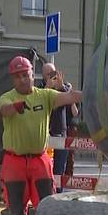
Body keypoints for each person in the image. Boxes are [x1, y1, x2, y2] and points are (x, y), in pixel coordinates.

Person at [0, 56, 82, 215]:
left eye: (25, 75)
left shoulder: (45, 95)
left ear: (32, 74)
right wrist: (15, 107)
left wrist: (93, 93)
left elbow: (69, 98)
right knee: (17, 208)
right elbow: (4, 110)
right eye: (17, 76)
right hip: (14, 161)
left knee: (46, 204)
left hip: (39, 160)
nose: (22, 79)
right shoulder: (7, 97)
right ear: (12, 79)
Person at [43, 62, 78, 192]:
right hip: (46, 133)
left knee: (60, 168)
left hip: (61, 133)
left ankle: (58, 194)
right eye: (48, 75)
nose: (51, 77)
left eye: (53, 73)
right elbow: (38, 100)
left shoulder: (66, 86)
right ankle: (46, 194)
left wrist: (61, 87)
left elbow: (75, 112)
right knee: (45, 169)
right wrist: (48, 87)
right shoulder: (41, 88)